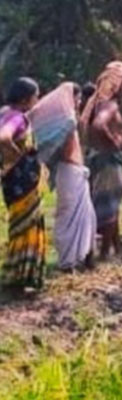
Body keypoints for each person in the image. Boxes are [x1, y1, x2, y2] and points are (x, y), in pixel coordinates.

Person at [29, 82, 97, 272]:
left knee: (86, 217)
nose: (78, 102)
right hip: (70, 173)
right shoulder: (67, 122)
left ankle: (83, 257)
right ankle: (68, 261)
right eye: (77, 98)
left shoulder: (69, 120)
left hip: (73, 173)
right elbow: (68, 150)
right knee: (69, 216)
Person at [81, 61, 122, 260]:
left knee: (110, 206)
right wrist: (115, 143)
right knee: (108, 207)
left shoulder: (97, 104)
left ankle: (115, 249)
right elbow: (99, 126)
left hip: (100, 158)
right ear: (115, 84)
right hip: (107, 161)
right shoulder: (108, 105)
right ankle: (103, 254)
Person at [0, 77, 44, 289]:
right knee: (26, 225)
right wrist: (19, 157)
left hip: (12, 181)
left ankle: (18, 271)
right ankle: (22, 274)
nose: (38, 99)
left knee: (18, 224)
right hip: (22, 181)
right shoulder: (17, 117)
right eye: (36, 96)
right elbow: (4, 138)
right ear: (26, 99)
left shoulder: (4, 113)